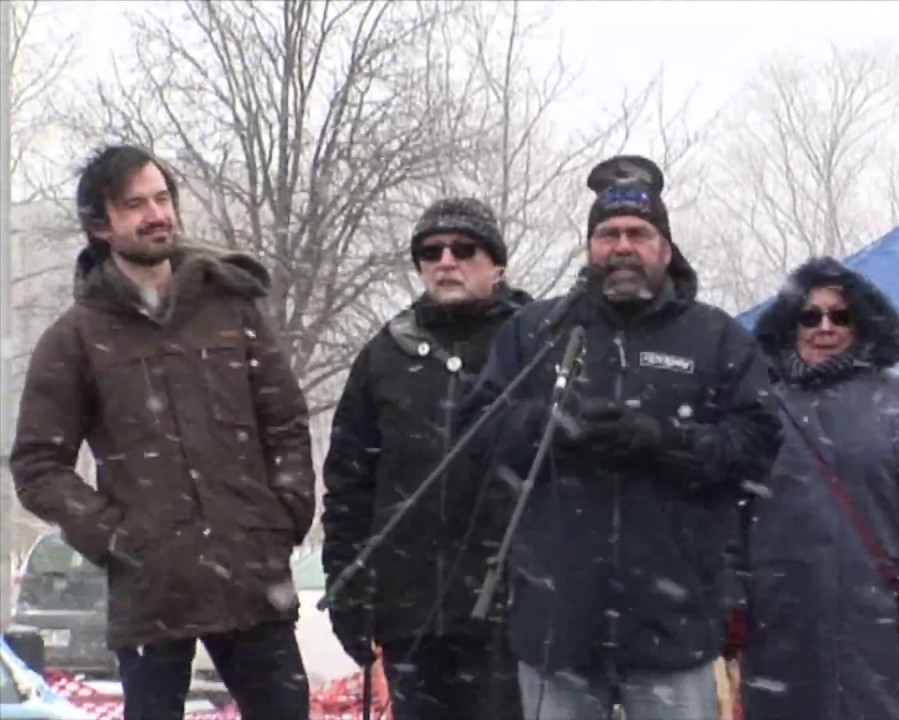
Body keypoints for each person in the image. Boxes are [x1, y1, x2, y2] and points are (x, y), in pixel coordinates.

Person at [458, 155, 782, 720]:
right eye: (607, 234)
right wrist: (553, 427)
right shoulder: (538, 330)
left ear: (665, 248)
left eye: (639, 233)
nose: (622, 246)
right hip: (557, 626)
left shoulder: (713, 337)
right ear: (590, 248)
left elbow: (757, 445)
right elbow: (476, 434)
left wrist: (659, 439)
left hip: (672, 627)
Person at [9, 144, 315, 720]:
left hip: (253, 582)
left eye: (162, 198)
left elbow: (286, 421)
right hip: (153, 594)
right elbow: (37, 465)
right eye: (135, 205)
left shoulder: (233, 309)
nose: (156, 214)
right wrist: (119, 538)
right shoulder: (75, 338)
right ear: (102, 226)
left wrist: (285, 514)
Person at [321, 197, 531, 719]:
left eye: (464, 249)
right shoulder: (385, 355)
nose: (446, 261)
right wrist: (347, 585)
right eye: (430, 252)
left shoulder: (535, 346)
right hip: (411, 613)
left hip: (514, 612)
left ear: (497, 262)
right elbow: (349, 484)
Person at [742, 256, 899, 720]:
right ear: (791, 325)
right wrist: (729, 597)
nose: (824, 327)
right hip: (780, 628)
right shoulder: (758, 408)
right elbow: (730, 513)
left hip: (884, 625)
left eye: (839, 315)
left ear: (861, 322)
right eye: (811, 316)